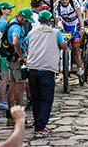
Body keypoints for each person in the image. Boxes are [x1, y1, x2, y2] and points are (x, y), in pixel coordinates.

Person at [26, 10, 67, 138]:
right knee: (46, 100)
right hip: (47, 69)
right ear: (50, 20)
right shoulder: (55, 32)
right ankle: (40, 127)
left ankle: (38, 124)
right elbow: (63, 46)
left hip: (32, 68)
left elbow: (26, 44)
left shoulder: (31, 33)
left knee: (36, 99)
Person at [5, 8, 34, 125]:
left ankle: (11, 116)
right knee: (20, 88)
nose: (27, 23)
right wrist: (22, 57)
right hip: (17, 60)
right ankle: (20, 118)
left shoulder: (11, 22)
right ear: (22, 17)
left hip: (10, 59)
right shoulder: (17, 27)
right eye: (26, 21)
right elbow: (15, 42)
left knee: (12, 85)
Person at [0, 2, 15, 111]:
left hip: (1, 52)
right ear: (2, 10)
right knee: (5, 78)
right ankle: (2, 101)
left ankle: (3, 101)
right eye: (8, 9)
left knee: (5, 78)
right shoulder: (3, 22)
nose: (10, 10)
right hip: (3, 53)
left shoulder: (1, 22)